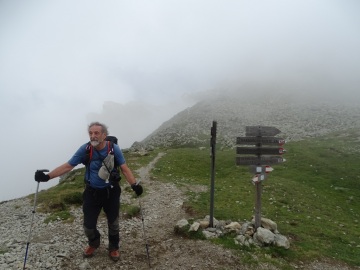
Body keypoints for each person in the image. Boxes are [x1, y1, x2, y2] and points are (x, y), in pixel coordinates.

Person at [34, 121, 143, 262]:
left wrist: (134, 185)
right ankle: (94, 242)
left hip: (111, 192)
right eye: (91, 133)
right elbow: (68, 166)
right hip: (92, 193)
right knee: (88, 226)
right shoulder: (85, 149)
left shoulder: (113, 148)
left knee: (114, 223)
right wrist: (47, 177)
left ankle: (113, 247)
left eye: (96, 133)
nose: (93, 136)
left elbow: (124, 168)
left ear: (104, 135)